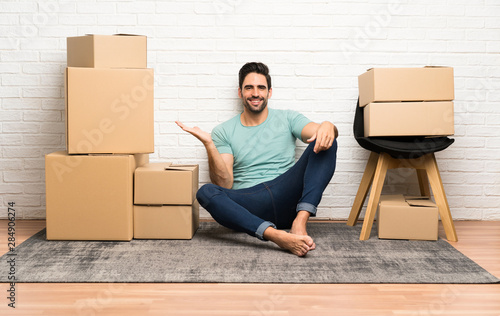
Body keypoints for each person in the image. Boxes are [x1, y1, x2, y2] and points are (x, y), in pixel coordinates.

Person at [176, 62, 338, 256]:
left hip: (286, 194)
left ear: (269, 92)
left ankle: (300, 222)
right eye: (249, 87)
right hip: (250, 204)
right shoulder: (223, 131)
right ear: (240, 92)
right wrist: (209, 144)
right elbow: (224, 183)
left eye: (261, 87)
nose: (255, 93)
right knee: (206, 192)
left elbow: (319, 133)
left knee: (327, 141)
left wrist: (329, 126)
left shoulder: (288, 118)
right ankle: (278, 237)